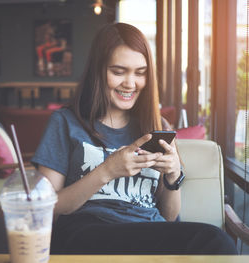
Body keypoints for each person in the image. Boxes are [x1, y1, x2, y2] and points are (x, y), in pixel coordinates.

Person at [31, 22, 237, 255]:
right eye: (118, 72)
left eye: (140, 73)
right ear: (97, 71)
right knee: (213, 240)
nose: (130, 83)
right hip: (86, 233)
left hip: (148, 232)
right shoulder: (65, 122)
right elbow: (46, 208)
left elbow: (169, 219)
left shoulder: (156, 127)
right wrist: (107, 171)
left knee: (215, 242)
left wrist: (173, 176)